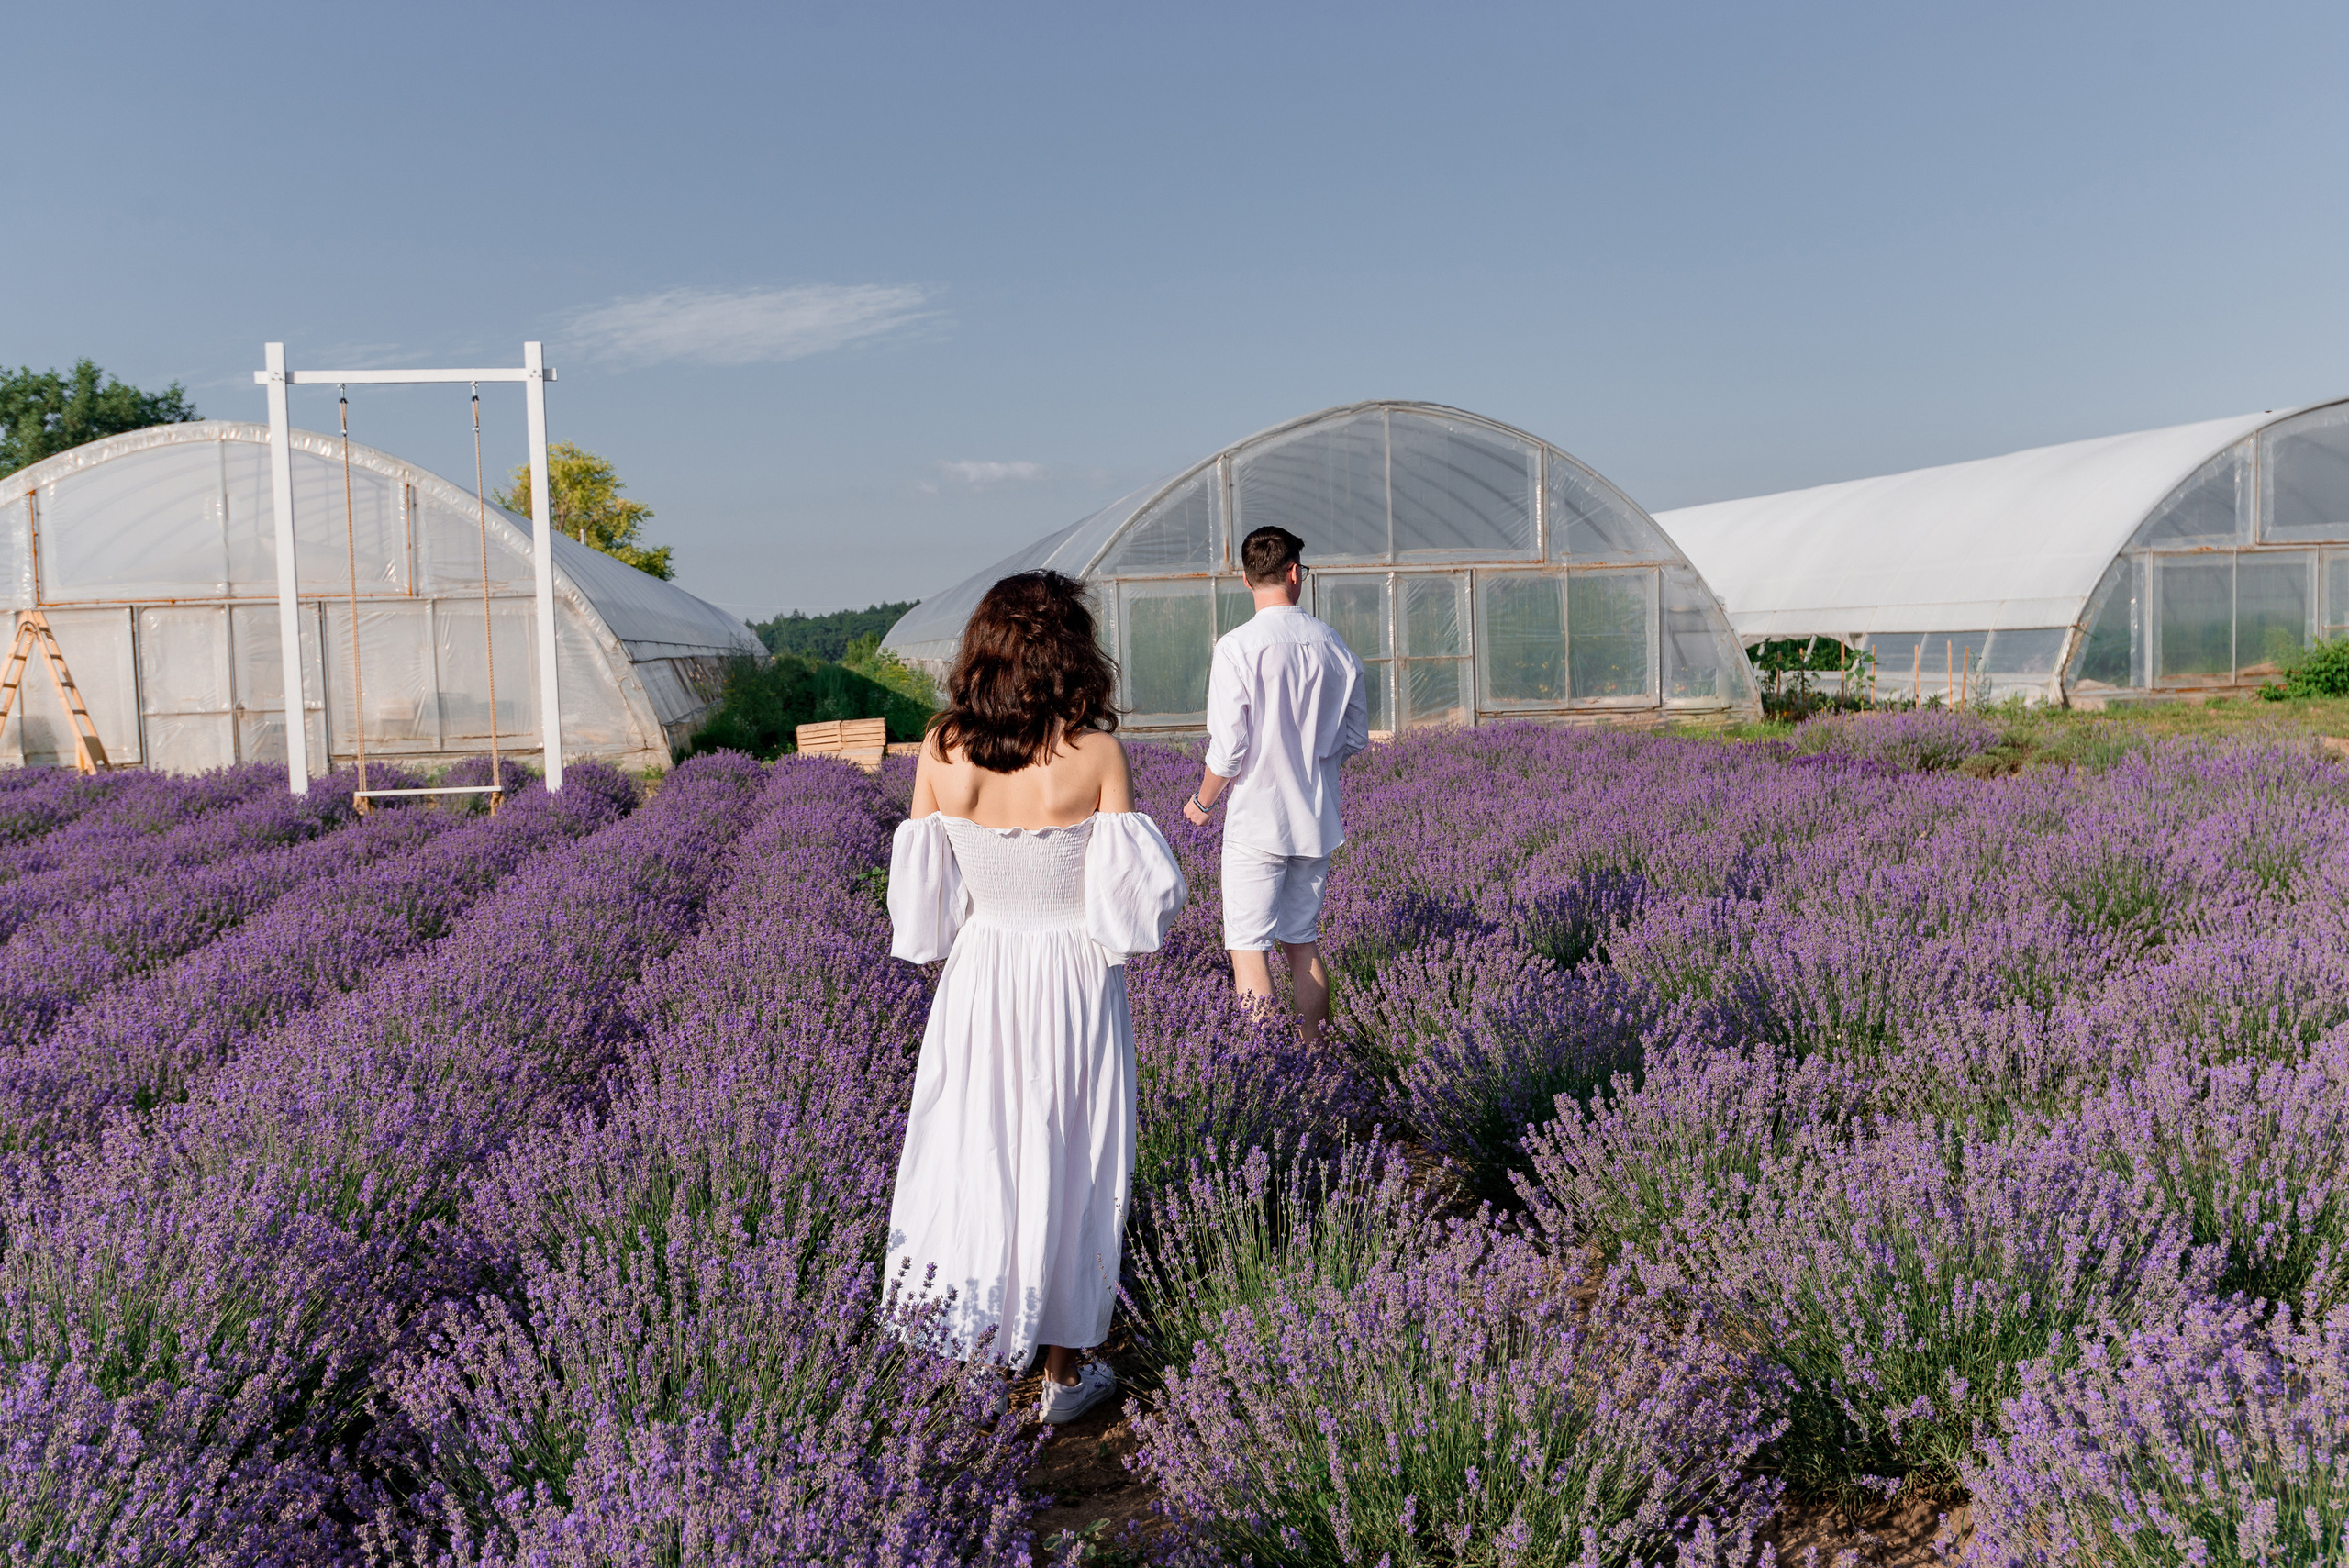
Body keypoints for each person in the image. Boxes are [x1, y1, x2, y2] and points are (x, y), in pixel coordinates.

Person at [883, 569, 1186, 1424]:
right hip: (1073, 976)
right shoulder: (1097, 756)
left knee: (975, 1154)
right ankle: (1062, 1375)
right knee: (1075, 1159)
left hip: (981, 974)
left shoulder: (941, 749)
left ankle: (976, 1358)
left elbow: (924, 915)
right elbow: (1130, 912)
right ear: (1071, 652)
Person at [1182, 525, 1369, 1046]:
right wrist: (1317, 763)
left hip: (1257, 821)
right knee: (1302, 943)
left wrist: (1202, 802)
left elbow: (1229, 748)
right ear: (1293, 573)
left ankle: (1268, 1070)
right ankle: (1316, 1061)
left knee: (1248, 948)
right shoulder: (1333, 644)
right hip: (1316, 819)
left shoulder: (1236, 648)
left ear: (1246, 579)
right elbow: (1356, 735)